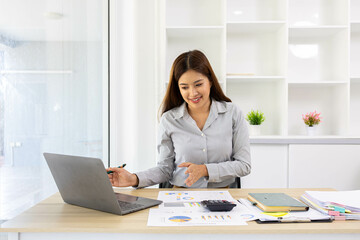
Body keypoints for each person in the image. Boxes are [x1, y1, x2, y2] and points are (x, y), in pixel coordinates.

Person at [107, 50, 251, 188]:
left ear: (211, 81)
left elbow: (244, 165)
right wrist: (133, 178)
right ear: (178, 89)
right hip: (181, 195)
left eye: (198, 84)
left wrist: (206, 170)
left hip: (223, 196)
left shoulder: (232, 113)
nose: (192, 93)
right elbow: (165, 169)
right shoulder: (169, 119)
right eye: (184, 87)